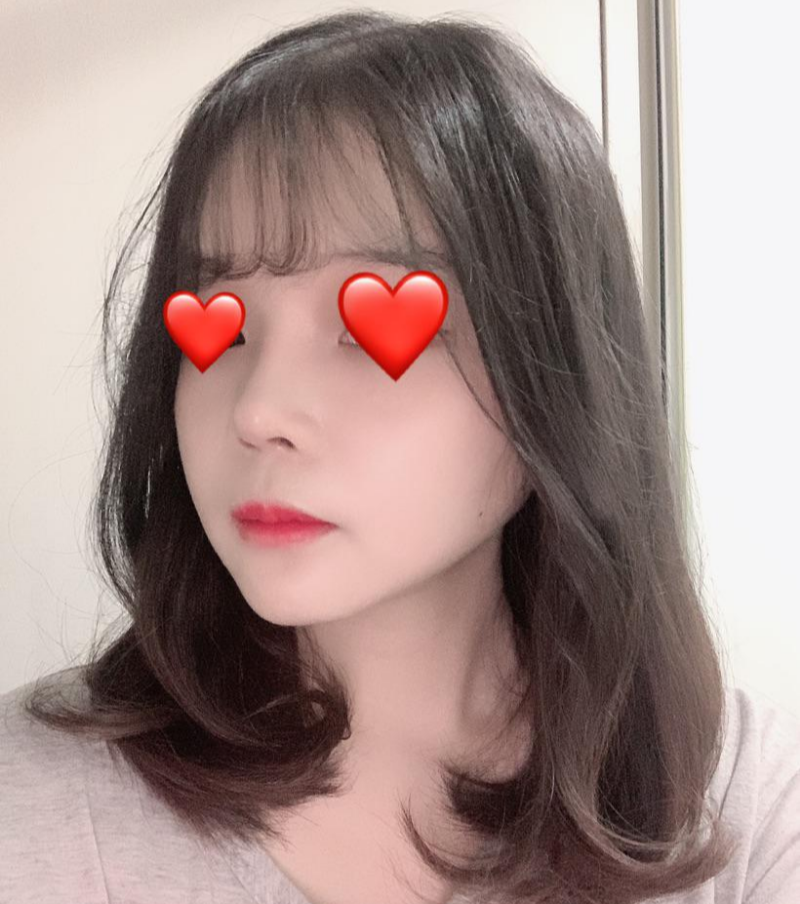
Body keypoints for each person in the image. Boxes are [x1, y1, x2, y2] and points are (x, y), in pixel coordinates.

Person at [2, 9, 799, 904]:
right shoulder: (32, 806)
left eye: (365, 326)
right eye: (221, 327)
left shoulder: (747, 804)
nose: (258, 411)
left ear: (557, 370)